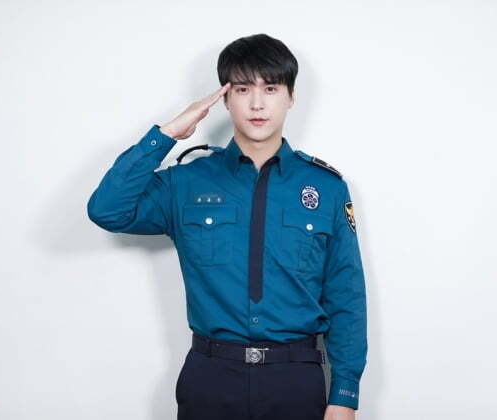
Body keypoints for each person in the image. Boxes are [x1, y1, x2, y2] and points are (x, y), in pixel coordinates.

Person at [87, 33, 367, 420]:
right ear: (224, 98)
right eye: (242, 89)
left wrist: (345, 392)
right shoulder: (186, 183)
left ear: (291, 96)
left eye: (271, 88)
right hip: (211, 379)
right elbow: (107, 210)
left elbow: (346, 294)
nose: (257, 104)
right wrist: (166, 135)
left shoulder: (326, 188)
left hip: (296, 381)